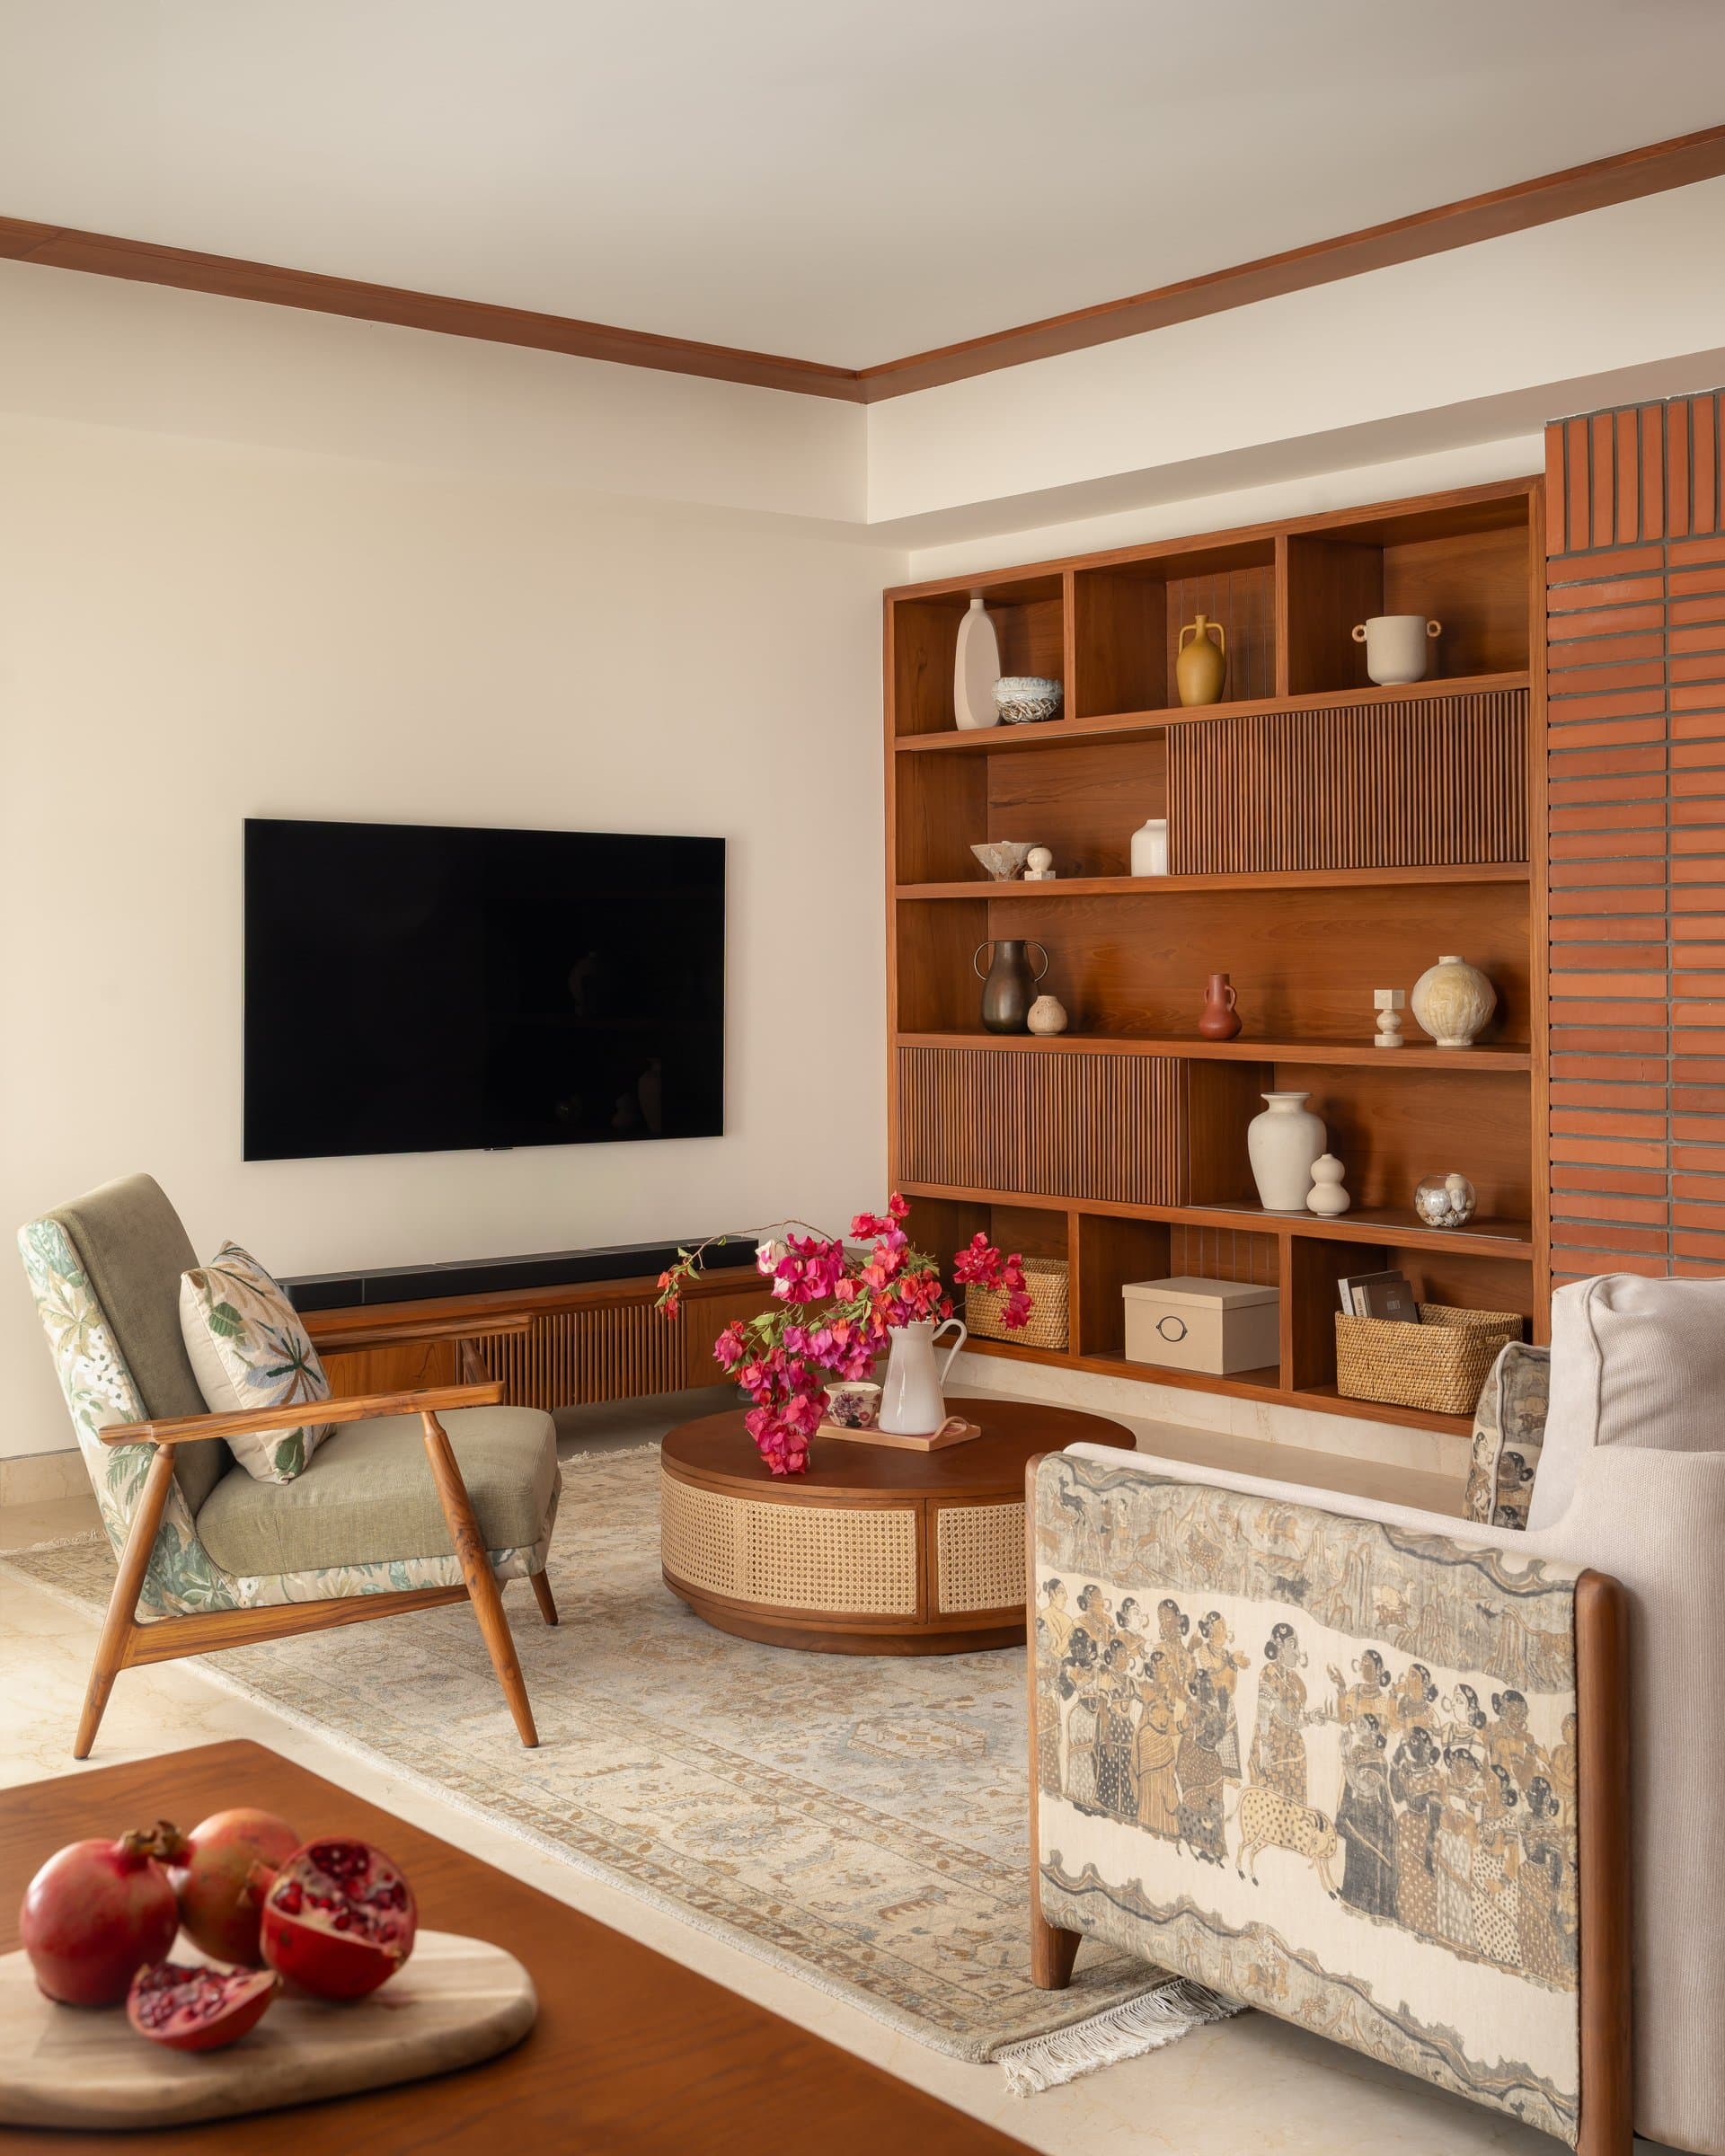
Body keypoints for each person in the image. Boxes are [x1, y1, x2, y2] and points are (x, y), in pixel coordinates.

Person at [1336, 1715, 1395, 1919]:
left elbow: (1362, 1785)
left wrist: (1344, 1756)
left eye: (1362, 1725)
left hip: (1372, 1818)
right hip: (1358, 1812)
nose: (1357, 1728)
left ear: (1374, 1732)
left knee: (1370, 1860)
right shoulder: (1357, 1754)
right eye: (1357, 1725)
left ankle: (1372, 1909)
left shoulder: (1378, 1759)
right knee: (1355, 1858)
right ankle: (1354, 1902)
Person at [1390, 1725, 1445, 1938]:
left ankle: (1424, 1928)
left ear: (1426, 1748)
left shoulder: (1432, 1777)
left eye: (1414, 1742)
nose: (1408, 1746)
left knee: (1422, 1881)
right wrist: (1395, 1763)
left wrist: (1429, 1847)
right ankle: (1406, 1920)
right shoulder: (1408, 1770)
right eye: (1409, 1742)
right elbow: (1397, 1796)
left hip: (1422, 1831)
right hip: (1406, 1825)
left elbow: (1435, 1817)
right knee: (1405, 1877)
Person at [1249, 1621, 1310, 1805]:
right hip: (1273, 1749)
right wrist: (1265, 1746)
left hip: (1294, 1751)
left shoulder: (1294, 1679)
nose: (1298, 1653)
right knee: (1272, 1804)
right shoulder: (1269, 1673)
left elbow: (1296, 1721)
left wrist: (1310, 1719)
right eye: (1293, 1645)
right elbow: (1264, 1712)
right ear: (1279, 1646)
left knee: (1294, 1808)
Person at [1175, 1669, 1229, 1863]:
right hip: (1194, 1756)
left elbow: (1219, 1732)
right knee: (1196, 1800)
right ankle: (1196, 1842)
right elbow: (1189, 1730)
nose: (1206, 1689)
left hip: (1210, 1759)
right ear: (1196, 1688)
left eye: (1208, 1685)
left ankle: (1213, 1843)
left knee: (1214, 1802)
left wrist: (1223, 1709)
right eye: (1202, 1685)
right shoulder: (1194, 1708)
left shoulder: (1213, 1710)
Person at [1133, 1650, 1183, 1841]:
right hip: (1150, 1741)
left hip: (1163, 1740)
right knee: (1155, 1783)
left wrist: (1182, 1725)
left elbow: (1168, 1725)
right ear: (1153, 1670)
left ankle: (1164, 1828)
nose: (1167, 1670)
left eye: (1168, 1666)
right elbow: (1159, 1723)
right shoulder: (1149, 1690)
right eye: (1163, 1667)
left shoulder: (1169, 1691)